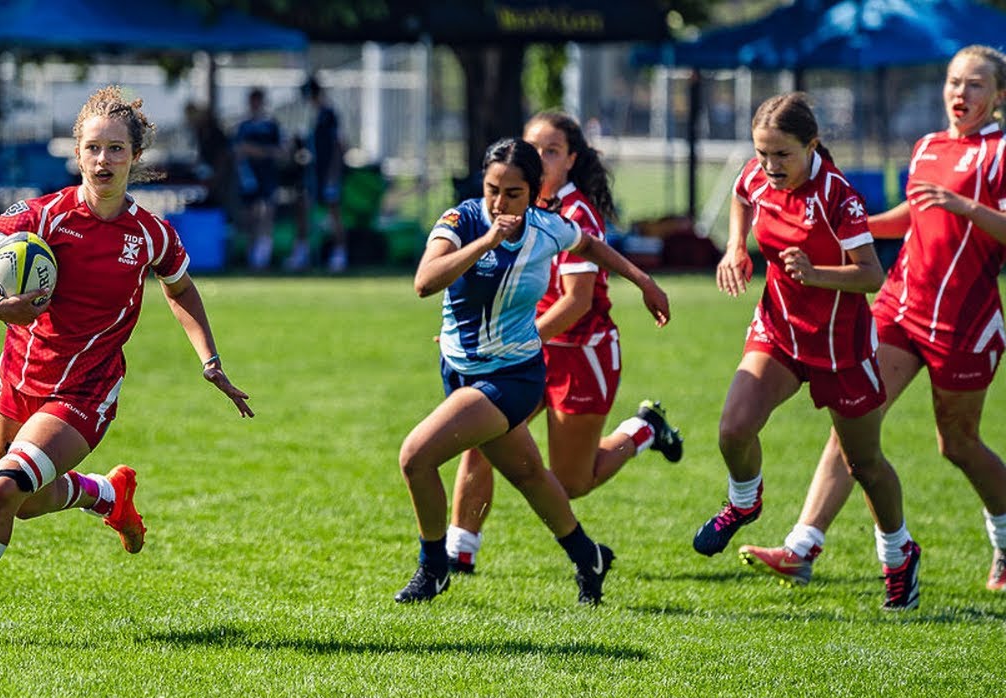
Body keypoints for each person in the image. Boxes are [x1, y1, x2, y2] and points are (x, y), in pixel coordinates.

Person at [0, 85, 254, 646]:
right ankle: (107, 495)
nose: (103, 160)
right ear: (77, 154)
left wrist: (210, 360)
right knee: (27, 504)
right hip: (21, 377)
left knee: (1, 492)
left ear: (135, 157)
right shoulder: (43, 215)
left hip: (86, 389)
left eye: (116, 150)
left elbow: (181, 290)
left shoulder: (151, 233)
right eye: (93, 148)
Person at [739, 46, 1006, 594]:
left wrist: (966, 208)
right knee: (853, 423)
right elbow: (916, 212)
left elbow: (957, 210)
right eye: (954, 81)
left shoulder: (1001, 152)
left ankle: (1004, 539)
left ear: (999, 95)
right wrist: (852, 230)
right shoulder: (929, 145)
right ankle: (802, 546)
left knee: (957, 443)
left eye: (976, 85)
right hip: (900, 305)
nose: (961, 93)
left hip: (964, 319)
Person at [395, 137, 671, 606]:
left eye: (513, 194)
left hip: (513, 377)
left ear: (535, 190)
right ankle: (589, 557)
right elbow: (425, 281)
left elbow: (593, 246)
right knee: (530, 476)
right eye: (491, 189)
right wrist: (485, 240)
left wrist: (644, 282)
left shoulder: (548, 229)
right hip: (459, 369)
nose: (499, 203)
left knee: (414, 457)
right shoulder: (460, 220)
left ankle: (434, 566)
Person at [691, 92, 920, 610]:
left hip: (840, 348)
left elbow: (871, 276)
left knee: (864, 464)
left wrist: (815, 274)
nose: (769, 166)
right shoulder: (758, 175)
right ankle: (744, 504)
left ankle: (898, 554)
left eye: (782, 155)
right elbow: (742, 193)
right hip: (779, 330)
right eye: (763, 153)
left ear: (811, 145)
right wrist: (734, 248)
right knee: (733, 428)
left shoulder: (839, 198)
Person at [287, 75, 349, 273]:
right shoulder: (312, 116)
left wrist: (333, 173)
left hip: (328, 173)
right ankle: (302, 252)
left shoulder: (329, 114)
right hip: (313, 174)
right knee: (304, 209)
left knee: (334, 213)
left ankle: (340, 254)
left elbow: (339, 145)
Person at [234, 87, 283, 270]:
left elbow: (280, 152)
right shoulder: (243, 126)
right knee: (250, 216)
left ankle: (263, 255)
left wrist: (257, 151)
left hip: (267, 176)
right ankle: (252, 253)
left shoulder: (271, 126)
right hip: (248, 178)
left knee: (266, 213)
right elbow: (237, 151)